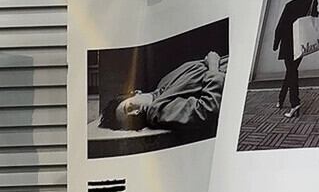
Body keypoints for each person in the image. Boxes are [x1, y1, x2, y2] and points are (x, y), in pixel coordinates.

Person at [97, 49, 227, 134]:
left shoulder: (164, 82)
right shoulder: (156, 112)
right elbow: (206, 109)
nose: (136, 113)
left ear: (135, 92)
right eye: (130, 120)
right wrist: (213, 66)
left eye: (129, 107)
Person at [273, 0, 319, 117]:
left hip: (288, 43)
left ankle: (295, 103)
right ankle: (281, 99)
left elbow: (281, 25)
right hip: (301, 43)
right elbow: (314, 17)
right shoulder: (313, 1)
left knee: (292, 71)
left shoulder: (290, 5)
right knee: (291, 71)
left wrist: (276, 43)